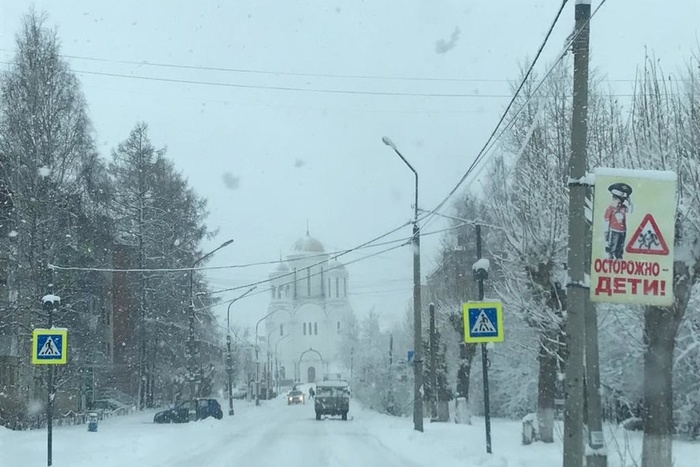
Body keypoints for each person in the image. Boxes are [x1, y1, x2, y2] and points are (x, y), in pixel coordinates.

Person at [604, 182, 633, 259]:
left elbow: (630, 210)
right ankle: (610, 259)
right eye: (614, 199)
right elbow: (606, 221)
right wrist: (606, 237)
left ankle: (619, 258)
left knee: (620, 247)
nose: (615, 201)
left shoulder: (623, 208)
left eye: (617, 199)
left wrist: (628, 200)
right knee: (612, 246)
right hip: (614, 231)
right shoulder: (610, 209)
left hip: (623, 231)